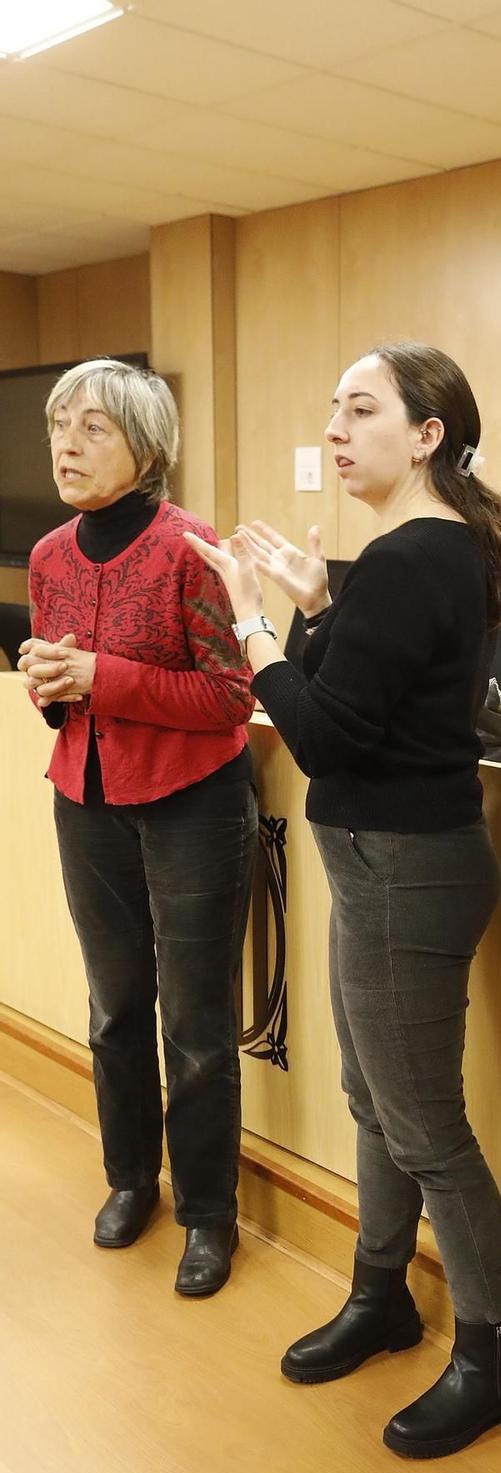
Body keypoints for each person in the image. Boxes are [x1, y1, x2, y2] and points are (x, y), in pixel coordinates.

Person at [186, 343, 501, 1459]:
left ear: (428, 434)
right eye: (329, 408)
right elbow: (362, 694)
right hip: (383, 862)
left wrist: (246, 619)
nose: (336, 429)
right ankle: (382, 1295)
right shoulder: (412, 556)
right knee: (375, 1101)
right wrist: (318, 598)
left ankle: (492, 1357)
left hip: (403, 866)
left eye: (362, 408)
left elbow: (324, 729)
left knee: (425, 1124)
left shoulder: (417, 554)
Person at [19, 359, 256, 1297]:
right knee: (114, 1010)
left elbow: (232, 695)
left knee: (195, 1023)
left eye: (91, 430)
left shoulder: (192, 548)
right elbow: (61, 694)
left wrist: (99, 677)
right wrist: (52, 684)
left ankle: (209, 1214)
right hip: (86, 799)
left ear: (145, 447)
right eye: (58, 429)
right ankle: (131, 1180)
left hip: (193, 800)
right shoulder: (47, 557)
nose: (66, 447)